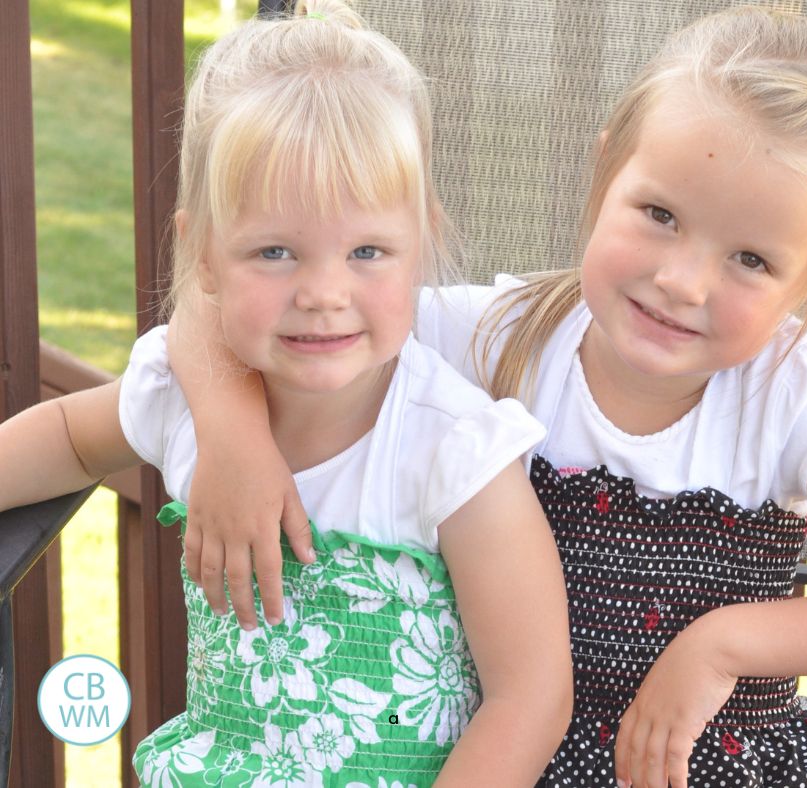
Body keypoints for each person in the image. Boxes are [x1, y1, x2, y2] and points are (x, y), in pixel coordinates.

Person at [165, 5, 807, 788]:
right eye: (660, 215)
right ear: (605, 176)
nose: (682, 280)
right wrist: (234, 443)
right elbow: (213, 298)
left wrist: (728, 643)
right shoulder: (503, 336)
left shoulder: (794, 396)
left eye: (751, 259)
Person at [0, 4, 575, 786]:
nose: (324, 293)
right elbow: (70, 439)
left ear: (421, 243)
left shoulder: (452, 451)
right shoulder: (183, 400)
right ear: (205, 258)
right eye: (275, 252)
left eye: (368, 250)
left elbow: (530, 697)